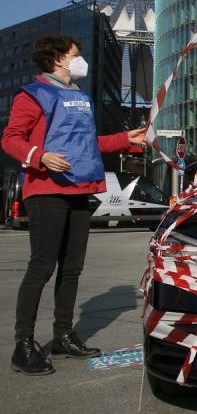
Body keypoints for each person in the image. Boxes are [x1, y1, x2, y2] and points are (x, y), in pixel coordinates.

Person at [1, 34, 146, 375]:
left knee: (72, 268)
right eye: (76, 55)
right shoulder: (33, 95)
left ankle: (63, 335)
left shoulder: (80, 98)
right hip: (47, 190)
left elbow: (87, 144)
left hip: (80, 188)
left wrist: (127, 138)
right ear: (59, 60)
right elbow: (11, 138)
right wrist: (41, 156)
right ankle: (23, 345)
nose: (81, 60)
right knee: (41, 267)